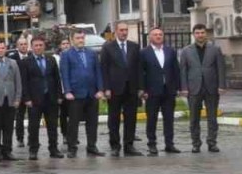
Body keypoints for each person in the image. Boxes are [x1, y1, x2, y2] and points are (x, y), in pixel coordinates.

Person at [179, 23, 228, 153]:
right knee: (194, 118)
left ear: (206, 34)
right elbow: (183, 71)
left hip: (211, 88)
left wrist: (222, 85)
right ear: (193, 35)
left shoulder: (215, 49)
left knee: (212, 117)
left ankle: (212, 143)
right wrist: (184, 88)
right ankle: (196, 143)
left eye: (202, 32)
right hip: (193, 88)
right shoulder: (186, 51)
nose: (200, 35)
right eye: (197, 33)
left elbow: (221, 68)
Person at [99, 22, 143, 157]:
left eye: (126, 30)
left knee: (131, 118)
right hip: (114, 88)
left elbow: (139, 69)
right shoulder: (108, 47)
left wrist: (140, 87)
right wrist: (106, 88)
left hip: (131, 88)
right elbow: (104, 69)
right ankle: (115, 146)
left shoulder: (134, 47)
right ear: (116, 31)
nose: (124, 32)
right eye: (121, 30)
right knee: (114, 118)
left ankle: (129, 145)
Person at [59, 30, 105, 157]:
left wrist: (100, 89)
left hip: (92, 93)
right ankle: (72, 147)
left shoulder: (92, 53)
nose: (81, 40)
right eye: (78, 38)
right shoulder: (66, 54)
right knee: (73, 122)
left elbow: (98, 72)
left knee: (92, 122)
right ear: (72, 39)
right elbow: (65, 74)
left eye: (82, 38)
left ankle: (91, 146)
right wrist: (67, 91)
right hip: (75, 94)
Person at [19, 36, 63, 160]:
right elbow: (24, 82)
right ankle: (33, 150)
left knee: (53, 126)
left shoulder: (51, 60)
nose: (38, 47)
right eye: (36, 45)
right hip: (34, 100)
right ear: (31, 47)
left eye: (40, 45)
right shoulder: (26, 62)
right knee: (33, 127)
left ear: (44, 46)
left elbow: (57, 79)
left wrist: (59, 95)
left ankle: (54, 149)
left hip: (51, 98)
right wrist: (26, 98)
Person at [139, 27, 181, 156]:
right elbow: (141, 73)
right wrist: (142, 90)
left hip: (168, 91)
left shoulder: (170, 51)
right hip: (151, 92)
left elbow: (176, 70)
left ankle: (170, 144)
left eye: (160, 34)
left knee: (169, 119)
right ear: (150, 37)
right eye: (155, 34)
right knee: (151, 119)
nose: (158, 36)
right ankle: (152, 144)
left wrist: (178, 87)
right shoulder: (144, 53)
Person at [8, 37, 32, 146]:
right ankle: (20, 138)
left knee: (33, 116)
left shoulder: (32, 56)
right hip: (18, 92)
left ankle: (32, 138)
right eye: (21, 44)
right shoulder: (12, 59)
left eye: (25, 44)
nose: (23, 46)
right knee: (19, 117)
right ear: (17, 46)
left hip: (31, 92)